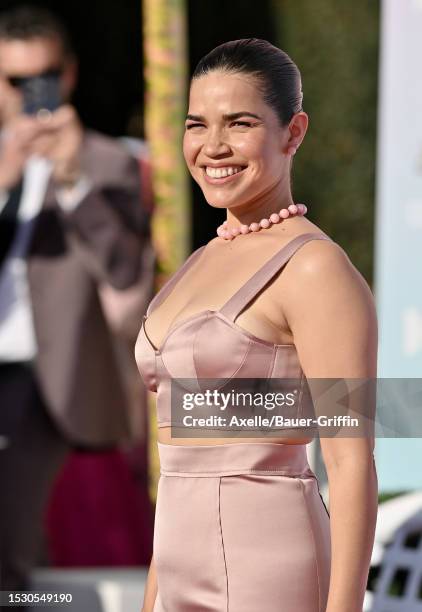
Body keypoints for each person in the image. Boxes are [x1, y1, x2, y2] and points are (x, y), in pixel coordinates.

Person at [135, 38, 378, 612]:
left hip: (263, 567)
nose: (213, 146)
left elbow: (349, 463)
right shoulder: (200, 259)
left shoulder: (314, 267)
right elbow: (182, 465)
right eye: (197, 125)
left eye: (239, 123)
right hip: (177, 566)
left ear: (293, 132)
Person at [0, 4, 151, 596]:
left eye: (44, 76)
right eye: (15, 80)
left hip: (41, 379)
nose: (29, 94)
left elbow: (125, 269)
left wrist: (73, 183)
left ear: (68, 75)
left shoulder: (109, 162)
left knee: (8, 541)